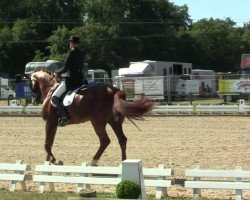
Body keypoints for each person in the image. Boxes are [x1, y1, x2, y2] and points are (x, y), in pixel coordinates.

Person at [51, 36, 86, 126]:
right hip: (81, 80)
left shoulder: (71, 52)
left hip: (71, 80)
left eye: (70, 42)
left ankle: (65, 117)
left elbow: (66, 68)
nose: (69, 44)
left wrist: (57, 72)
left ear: (73, 43)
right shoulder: (81, 53)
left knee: (55, 98)